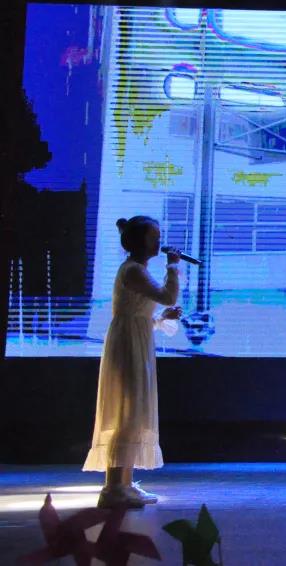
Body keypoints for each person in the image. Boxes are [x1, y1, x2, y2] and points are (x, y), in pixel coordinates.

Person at [83, 216, 183, 508]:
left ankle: (124, 483)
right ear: (139, 241)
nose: (158, 242)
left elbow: (139, 314)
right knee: (126, 412)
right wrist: (173, 266)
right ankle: (113, 487)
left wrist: (161, 319)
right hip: (127, 345)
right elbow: (168, 295)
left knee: (134, 411)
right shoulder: (133, 270)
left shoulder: (138, 271)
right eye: (153, 237)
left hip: (136, 340)